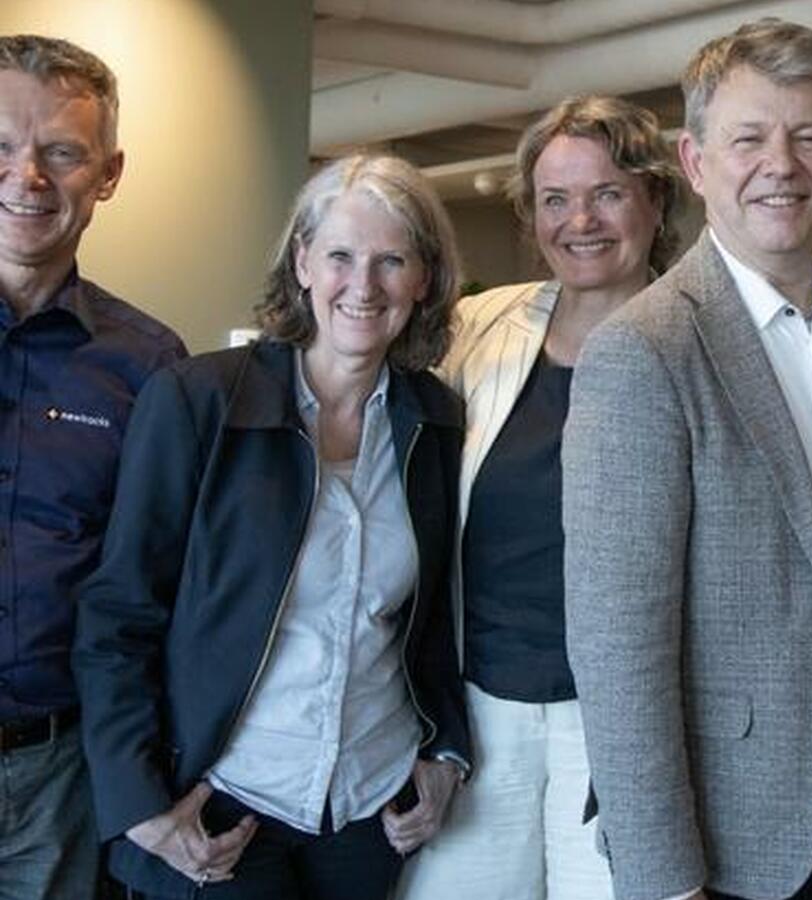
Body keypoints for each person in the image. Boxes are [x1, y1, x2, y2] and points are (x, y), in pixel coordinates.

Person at [563, 19, 812, 900]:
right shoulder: (645, 351)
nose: (782, 164)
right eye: (748, 139)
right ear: (695, 163)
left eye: (807, 137)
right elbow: (618, 654)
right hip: (732, 838)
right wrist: (663, 880)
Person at [73, 154, 469, 900]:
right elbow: (118, 612)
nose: (365, 284)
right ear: (302, 264)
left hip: (367, 809)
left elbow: (437, 615)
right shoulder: (197, 401)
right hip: (220, 803)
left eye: (393, 260)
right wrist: (139, 804)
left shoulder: (434, 419)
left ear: (424, 279)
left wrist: (445, 750)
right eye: (341, 256)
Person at [395, 94, 681, 900]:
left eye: (607, 193)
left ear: (655, 200)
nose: (579, 220)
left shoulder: (694, 344)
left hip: (618, 722)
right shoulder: (477, 326)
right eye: (555, 199)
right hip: (483, 710)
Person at [0, 34, 185, 900]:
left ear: (107, 174)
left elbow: (156, 587)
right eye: (2, 147)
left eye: (61, 153)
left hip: (59, 777)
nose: (28, 177)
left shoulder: (150, 366)